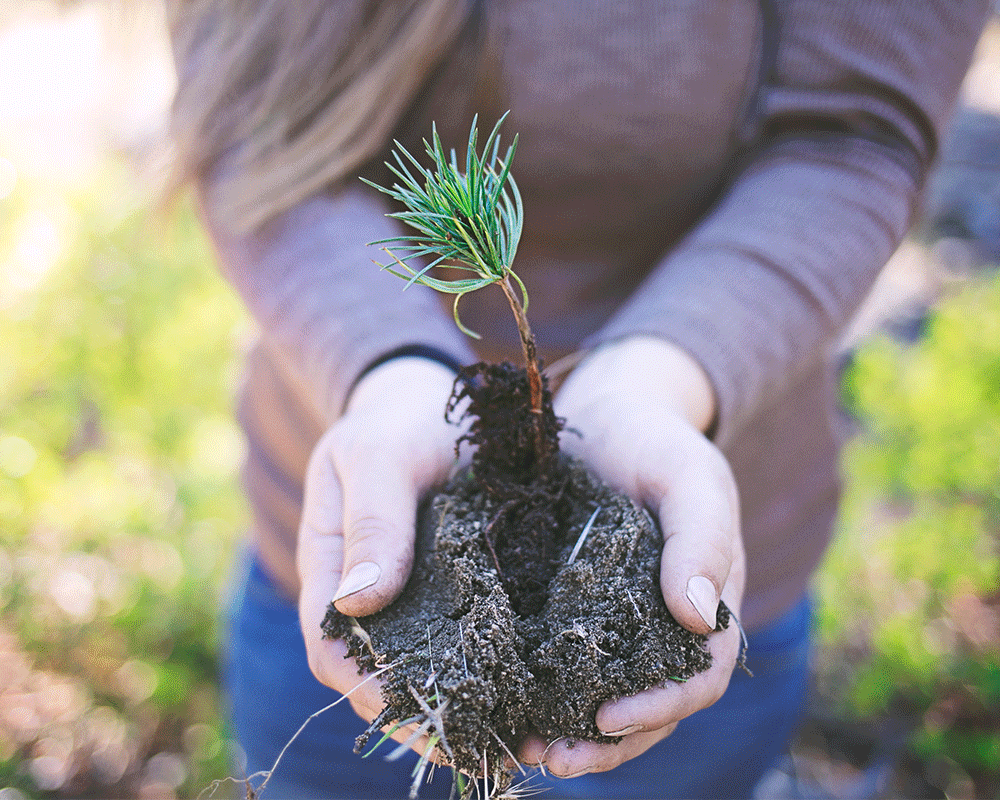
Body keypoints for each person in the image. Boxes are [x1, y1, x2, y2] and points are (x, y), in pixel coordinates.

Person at [167, 2, 991, 797]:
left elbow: (852, 137)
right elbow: (250, 127)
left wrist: (656, 383)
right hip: (339, 535)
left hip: (692, 529)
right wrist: (389, 370)